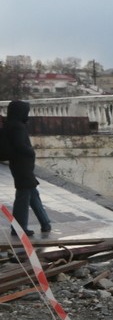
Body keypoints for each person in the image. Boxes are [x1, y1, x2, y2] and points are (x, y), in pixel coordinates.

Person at [5, 100, 50, 237]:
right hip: (22, 166)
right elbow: (20, 145)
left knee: (32, 193)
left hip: (19, 165)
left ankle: (45, 223)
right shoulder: (17, 126)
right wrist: (31, 152)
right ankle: (19, 228)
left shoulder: (10, 124)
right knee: (23, 197)